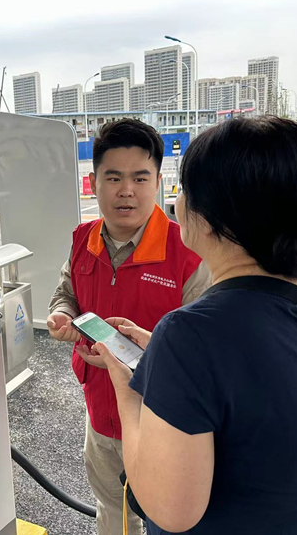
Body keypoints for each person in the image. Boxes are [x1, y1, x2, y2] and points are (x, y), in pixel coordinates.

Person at [93, 117, 297, 534]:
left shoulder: (191, 335)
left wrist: (128, 390)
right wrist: (169, 367)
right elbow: (263, 383)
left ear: (209, 217)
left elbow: (170, 510)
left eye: (184, 189)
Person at [47, 119, 210, 535]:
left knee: (168, 520)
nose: (126, 191)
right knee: (112, 510)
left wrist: (135, 361)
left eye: (139, 178)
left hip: (164, 422)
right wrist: (63, 313)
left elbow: (206, 354)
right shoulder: (83, 240)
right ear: (93, 183)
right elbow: (66, 289)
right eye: (113, 177)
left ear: (158, 182)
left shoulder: (187, 253)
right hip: (100, 416)